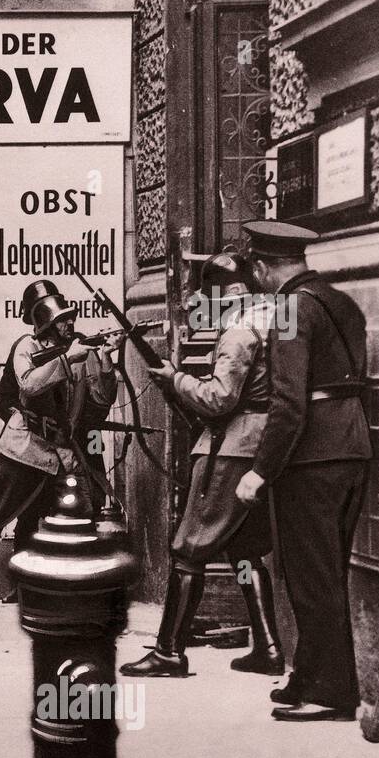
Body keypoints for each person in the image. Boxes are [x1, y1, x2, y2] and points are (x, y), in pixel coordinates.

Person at [232, 221, 372, 722]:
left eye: (257, 271)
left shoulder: (290, 310)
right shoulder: (343, 303)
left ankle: (332, 693)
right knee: (326, 570)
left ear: (266, 267)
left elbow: (289, 404)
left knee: (312, 576)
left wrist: (260, 471)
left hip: (311, 459)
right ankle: (308, 676)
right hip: (353, 448)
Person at [121, 253, 284, 679]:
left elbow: (220, 398)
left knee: (188, 548)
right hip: (258, 446)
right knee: (245, 550)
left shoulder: (238, 332)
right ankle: (267, 648)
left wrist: (175, 379)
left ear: (226, 296)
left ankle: (169, 652)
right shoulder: (272, 319)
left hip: (229, 450)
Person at [0, 280, 117, 610]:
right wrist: (67, 361)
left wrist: (105, 360)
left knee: (75, 518)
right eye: (64, 319)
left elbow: (100, 400)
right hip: (24, 450)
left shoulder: (79, 352)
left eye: (70, 318)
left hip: (61, 455)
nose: (71, 324)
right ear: (49, 323)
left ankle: (63, 595)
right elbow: (28, 385)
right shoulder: (27, 346)